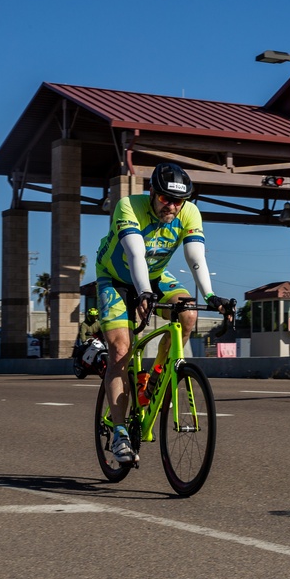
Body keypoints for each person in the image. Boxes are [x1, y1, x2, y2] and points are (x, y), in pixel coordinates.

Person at [95, 162, 232, 463]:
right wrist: (142, 292)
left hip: (155, 276)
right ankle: (119, 431)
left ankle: (157, 376)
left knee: (188, 313)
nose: (171, 205)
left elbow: (195, 258)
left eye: (178, 200)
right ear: (152, 193)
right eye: (164, 198)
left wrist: (211, 296)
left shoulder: (188, 213)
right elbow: (135, 254)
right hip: (116, 278)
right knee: (121, 349)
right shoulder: (128, 206)